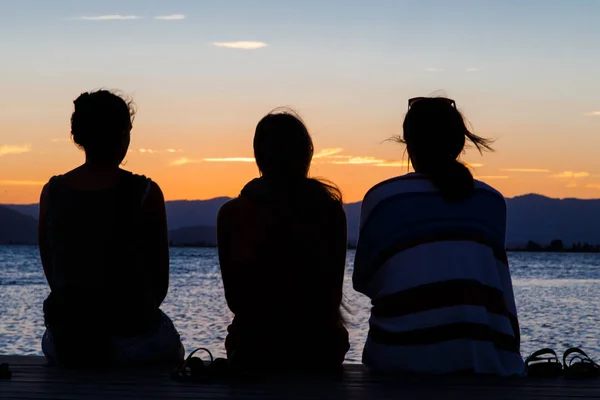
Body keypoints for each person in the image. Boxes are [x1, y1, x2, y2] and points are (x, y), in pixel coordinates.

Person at [353, 97, 524, 376]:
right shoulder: (490, 201)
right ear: (459, 143)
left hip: (396, 359)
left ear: (408, 142)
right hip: (484, 361)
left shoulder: (382, 199)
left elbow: (363, 281)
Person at [38, 90, 183, 366]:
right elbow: (159, 287)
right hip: (132, 340)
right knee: (172, 346)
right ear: (121, 135)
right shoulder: (146, 193)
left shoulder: (51, 192)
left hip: (68, 341)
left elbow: (55, 275)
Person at [217, 109, 350, 371]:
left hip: (257, 350)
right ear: (306, 155)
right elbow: (331, 298)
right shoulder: (330, 211)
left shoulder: (234, 213)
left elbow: (236, 302)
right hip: (322, 350)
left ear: (259, 156)